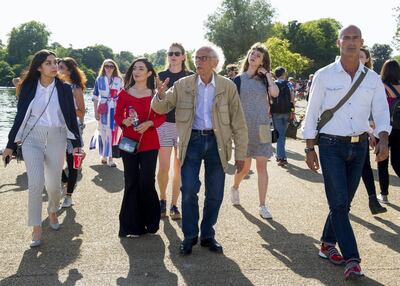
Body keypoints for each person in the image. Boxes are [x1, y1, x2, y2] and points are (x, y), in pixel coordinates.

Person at [302, 25, 391, 280]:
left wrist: (383, 138)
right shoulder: (324, 75)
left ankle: (327, 244)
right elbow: (312, 113)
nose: (351, 42)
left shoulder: (372, 78)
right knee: (339, 203)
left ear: (362, 42)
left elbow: (382, 113)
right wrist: (309, 147)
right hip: (330, 145)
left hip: (360, 145)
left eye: (355, 38)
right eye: (346, 38)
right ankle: (353, 259)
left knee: (344, 203)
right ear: (338, 42)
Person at [152, 46, 248, 255]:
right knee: (188, 191)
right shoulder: (182, 84)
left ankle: (207, 235)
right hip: (191, 142)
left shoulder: (227, 86)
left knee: (215, 193)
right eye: (197, 58)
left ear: (215, 62)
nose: (198, 62)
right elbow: (161, 108)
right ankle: (189, 236)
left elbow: (239, 123)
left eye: (204, 58)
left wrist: (241, 154)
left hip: (218, 143)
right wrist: (159, 96)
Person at [2, 49, 82, 247]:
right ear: (39, 67)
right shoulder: (28, 87)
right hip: (32, 138)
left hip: (57, 137)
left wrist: (78, 145)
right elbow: (20, 117)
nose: (54, 66)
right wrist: (10, 146)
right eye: (48, 63)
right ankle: (36, 228)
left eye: (55, 62)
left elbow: (71, 118)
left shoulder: (64, 89)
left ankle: (53, 210)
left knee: (54, 186)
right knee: (35, 183)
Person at [114, 58, 166, 237]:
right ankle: (131, 226)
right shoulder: (124, 93)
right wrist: (124, 121)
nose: (136, 71)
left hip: (150, 143)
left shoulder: (155, 93)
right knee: (131, 182)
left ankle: (150, 223)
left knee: (146, 181)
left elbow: (162, 116)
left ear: (149, 73)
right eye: (134, 68)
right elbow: (117, 116)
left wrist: (150, 122)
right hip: (128, 143)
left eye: (141, 68)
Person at [230, 43, 279, 219]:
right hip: (244, 129)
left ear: (263, 61)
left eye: (258, 55)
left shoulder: (266, 79)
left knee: (262, 167)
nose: (254, 56)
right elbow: (232, 106)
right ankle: (235, 187)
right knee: (244, 169)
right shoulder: (238, 80)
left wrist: (267, 74)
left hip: (263, 127)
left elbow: (274, 93)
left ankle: (262, 205)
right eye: (252, 53)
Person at [157, 43, 194, 220]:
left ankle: (174, 205)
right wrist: (160, 95)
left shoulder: (191, 77)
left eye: (177, 53)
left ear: (183, 56)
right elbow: (154, 102)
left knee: (178, 169)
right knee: (163, 168)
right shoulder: (160, 76)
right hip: (164, 125)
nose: (173, 56)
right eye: (170, 53)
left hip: (183, 126)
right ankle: (162, 200)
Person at [359, 47, 387, 214]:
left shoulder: (372, 79)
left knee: (365, 167)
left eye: (362, 56)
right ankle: (340, 206)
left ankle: (372, 199)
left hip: (367, 130)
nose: (359, 59)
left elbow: (377, 109)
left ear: (367, 58)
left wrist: (371, 132)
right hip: (347, 132)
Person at [57, 57, 87, 208]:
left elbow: (82, 113)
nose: (57, 69)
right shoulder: (55, 86)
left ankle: (68, 196)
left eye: (60, 67)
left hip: (72, 129)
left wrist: (67, 108)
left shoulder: (76, 88)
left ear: (68, 71)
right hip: (55, 128)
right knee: (50, 159)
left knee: (72, 163)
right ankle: (65, 181)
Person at [376, 59, 400, 204]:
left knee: (382, 162)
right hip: (399, 129)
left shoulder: (382, 87)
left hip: (384, 128)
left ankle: (384, 195)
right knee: (397, 161)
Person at [92, 59, 123, 167]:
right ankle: (104, 155)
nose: (109, 68)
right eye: (106, 66)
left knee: (112, 132)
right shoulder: (99, 79)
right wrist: (95, 111)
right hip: (103, 108)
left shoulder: (118, 80)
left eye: (111, 66)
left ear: (115, 68)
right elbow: (95, 97)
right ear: (103, 67)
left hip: (114, 109)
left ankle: (111, 158)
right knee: (103, 132)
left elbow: (123, 96)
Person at [271, 66, 295, 166]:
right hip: (287, 112)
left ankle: (281, 157)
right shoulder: (289, 84)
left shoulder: (273, 84)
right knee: (282, 135)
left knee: (280, 135)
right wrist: (293, 111)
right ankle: (281, 155)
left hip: (276, 112)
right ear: (284, 74)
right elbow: (293, 99)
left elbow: (270, 99)